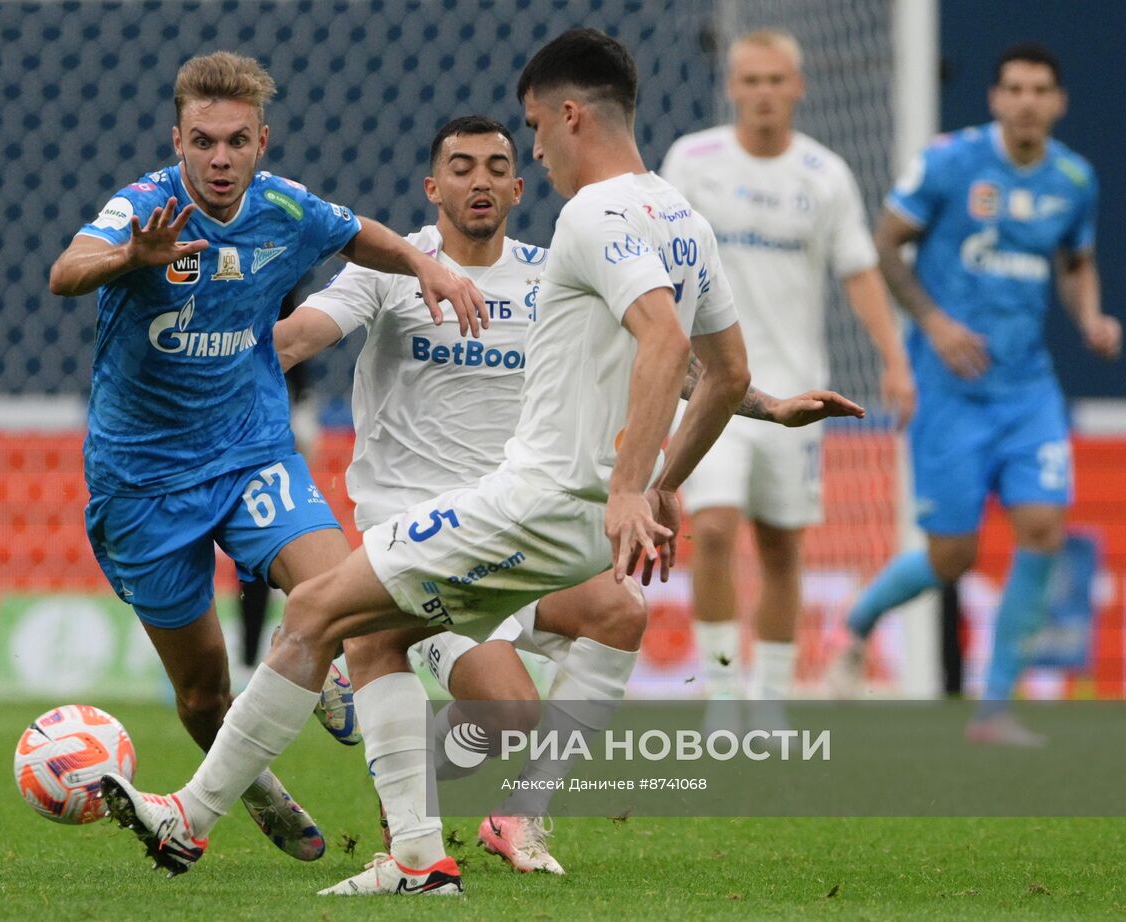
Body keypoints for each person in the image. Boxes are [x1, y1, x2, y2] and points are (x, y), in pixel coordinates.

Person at [276, 114, 865, 875]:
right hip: (420, 526)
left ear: (520, 187)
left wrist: (770, 406)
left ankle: (509, 815)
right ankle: (387, 747)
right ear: (432, 187)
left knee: (621, 611)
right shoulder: (394, 269)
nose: (480, 180)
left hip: (514, 515)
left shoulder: (549, 270)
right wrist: (216, 361)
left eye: (496, 166)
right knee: (511, 711)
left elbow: (678, 364)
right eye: (461, 167)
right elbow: (297, 338)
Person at [47, 50, 485, 863]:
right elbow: (65, 272)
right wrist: (128, 261)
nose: (219, 159)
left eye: (236, 142)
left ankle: (408, 837)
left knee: (344, 595)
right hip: (140, 484)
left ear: (261, 141)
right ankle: (253, 787)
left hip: (251, 454)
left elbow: (359, 236)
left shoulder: (284, 208)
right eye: (203, 141)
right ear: (176, 139)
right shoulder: (144, 208)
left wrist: (427, 263)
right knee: (202, 689)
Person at [830, 44, 1120, 744]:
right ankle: (859, 624)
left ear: (1058, 103)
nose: (1026, 100)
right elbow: (885, 243)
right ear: (994, 99)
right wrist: (934, 322)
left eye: (1039, 89)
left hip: (1028, 390)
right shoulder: (949, 162)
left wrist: (1088, 317)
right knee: (952, 556)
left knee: (1044, 527)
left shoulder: (1074, 178)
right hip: (949, 388)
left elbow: (1076, 261)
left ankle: (993, 709)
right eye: (1014, 88)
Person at [659, 29, 914, 709]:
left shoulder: (824, 174)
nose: (763, 93)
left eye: (776, 80)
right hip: (711, 385)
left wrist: (894, 358)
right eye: (751, 81)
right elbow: (652, 256)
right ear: (733, 87)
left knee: (780, 547)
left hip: (795, 391)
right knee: (711, 528)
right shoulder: (692, 160)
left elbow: (859, 273)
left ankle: (768, 699)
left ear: (797, 87)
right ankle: (719, 693)